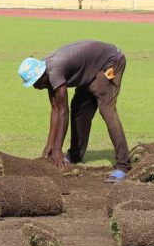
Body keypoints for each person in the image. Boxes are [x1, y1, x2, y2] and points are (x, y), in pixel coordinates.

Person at [18, 40, 130, 183]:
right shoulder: (45, 71)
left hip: (110, 62)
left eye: (35, 83)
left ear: (41, 76)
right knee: (79, 108)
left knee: (106, 109)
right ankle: (75, 155)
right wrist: (50, 145)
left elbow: (64, 112)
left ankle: (123, 165)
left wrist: (58, 150)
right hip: (91, 69)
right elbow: (55, 110)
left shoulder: (54, 71)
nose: (35, 87)